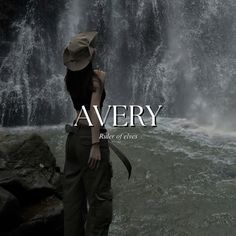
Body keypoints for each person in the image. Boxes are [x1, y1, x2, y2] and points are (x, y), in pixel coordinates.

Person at [62, 31, 113, 236]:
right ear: (90, 56)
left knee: (73, 199)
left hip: (72, 138)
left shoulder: (68, 79)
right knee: (100, 201)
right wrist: (95, 145)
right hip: (88, 139)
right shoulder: (98, 78)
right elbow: (94, 110)